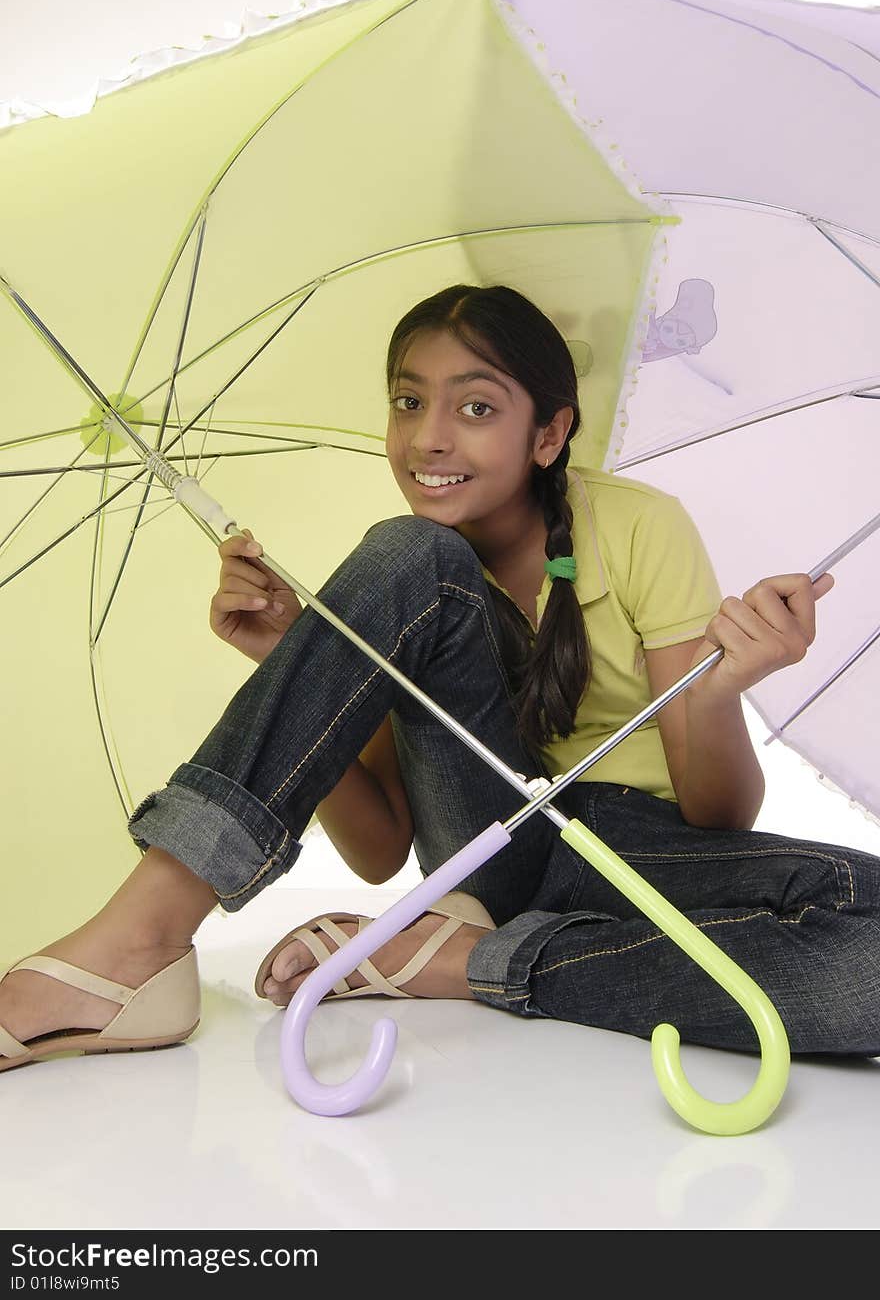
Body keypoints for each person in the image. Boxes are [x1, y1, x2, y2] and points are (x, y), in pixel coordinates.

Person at [2, 284, 879, 1072]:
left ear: (549, 433)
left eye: (475, 407)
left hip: (644, 854)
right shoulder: (405, 576)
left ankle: (467, 962)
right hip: (489, 851)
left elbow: (716, 819)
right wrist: (298, 662)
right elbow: (381, 845)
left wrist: (717, 692)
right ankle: (141, 936)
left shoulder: (643, 528)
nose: (428, 437)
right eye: (409, 401)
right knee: (411, 550)